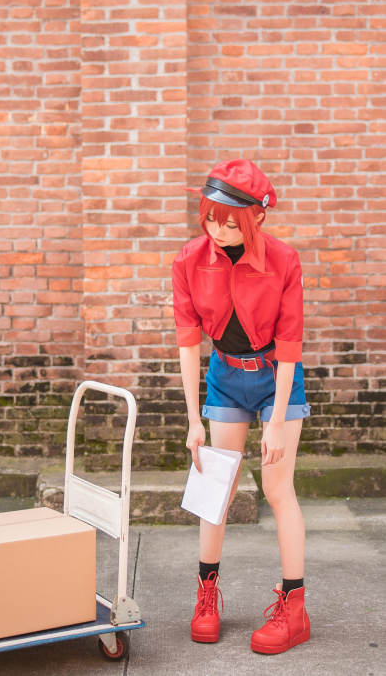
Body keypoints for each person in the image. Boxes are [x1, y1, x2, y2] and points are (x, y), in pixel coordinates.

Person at [172, 159, 311, 654]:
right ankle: (206, 597)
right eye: (211, 218)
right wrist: (194, 420)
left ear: (257, 218)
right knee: (217, 486)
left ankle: (294, 609)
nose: (218, 230)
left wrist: (276, 422)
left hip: (277, 377)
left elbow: (290, 346)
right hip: (225, 377)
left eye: (232, 223)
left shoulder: (284, 261)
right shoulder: (189, 260)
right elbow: (188, 342)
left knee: (277, 488)